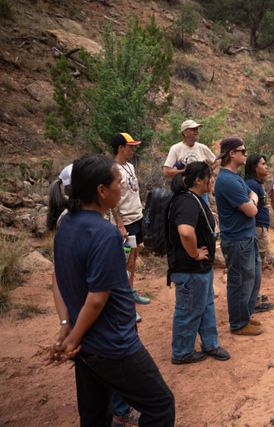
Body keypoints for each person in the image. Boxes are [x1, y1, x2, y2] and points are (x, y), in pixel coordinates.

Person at [48, 154, 174, 426]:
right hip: (113, 344)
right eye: (118, 182)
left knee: (94, 415)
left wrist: (67, 326)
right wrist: (72, 338)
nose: (123, 187)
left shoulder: (66, 224)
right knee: (160, 405)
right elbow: (97, 298)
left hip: (87, 345)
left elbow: (58, 280)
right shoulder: (103, 233)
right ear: (102, 190)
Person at [166, 161, 230, 364]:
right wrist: (194, 254)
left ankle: (210, 344)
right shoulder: (186, 201)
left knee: (205, 305)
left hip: (200, 269)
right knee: (189, 310)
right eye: (209, 177)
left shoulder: (193, 198)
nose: (212, 180)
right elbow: (185, 231)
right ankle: (182, 353)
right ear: (198, 180)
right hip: (190, 268)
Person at [214, 137, 262, 336]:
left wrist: (252, 199)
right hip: (237, 240)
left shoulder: (235, 178)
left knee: (253, 279)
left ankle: (246, 316)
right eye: (242, 150)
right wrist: (252, 200)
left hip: (246, 237)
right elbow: (252, 210)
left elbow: (252, 197)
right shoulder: (227, 180)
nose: (245, 154)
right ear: (231, 154)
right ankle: (239, 323)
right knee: (240, 281)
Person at [111, 133, 150, 309]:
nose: (133, 149)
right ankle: (123, 299)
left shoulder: (130, 167)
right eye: (130, 146)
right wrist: (119, 223)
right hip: (124, 220)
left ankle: (131, 290)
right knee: (123, 260)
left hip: (136, 216)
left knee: (133, 256)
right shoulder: (112, 170)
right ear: (121, 148)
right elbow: (113, 200)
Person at [244, 154, 274, 313]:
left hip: (260, 227)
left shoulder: (256, 183)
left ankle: (254, 296)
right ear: (255, 167)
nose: (266, 166)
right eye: (263, 164)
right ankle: (253, 300)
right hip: (256, 228)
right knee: (256, 264)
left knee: (259, 262)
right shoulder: (251, 184)